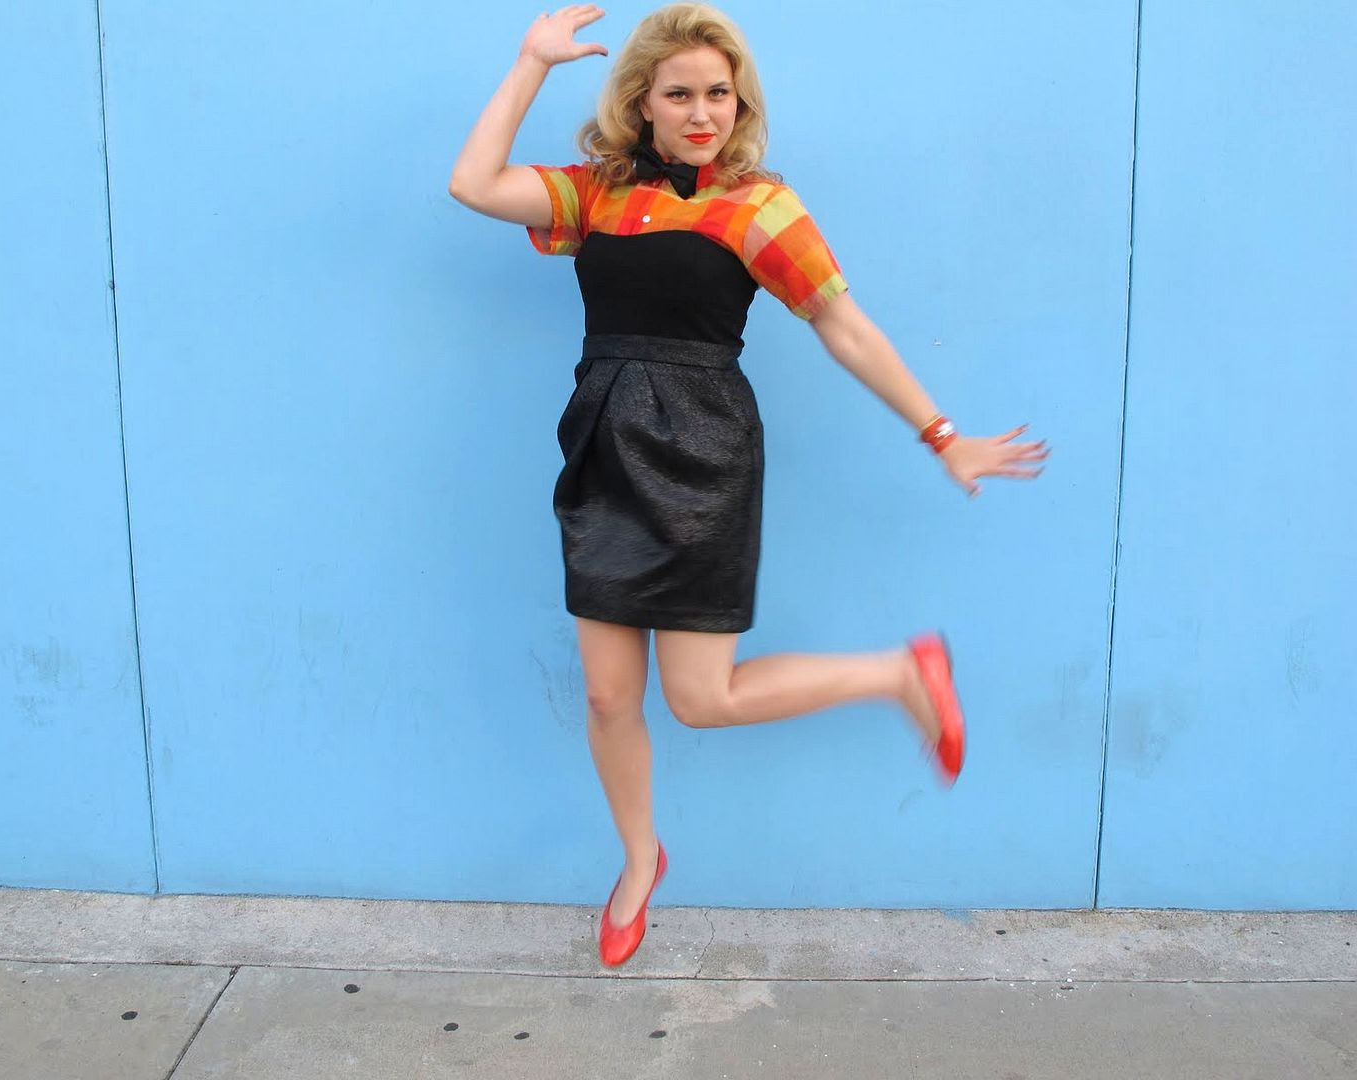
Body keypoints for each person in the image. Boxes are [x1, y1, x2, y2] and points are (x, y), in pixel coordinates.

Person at [448, 3, 1049, 967]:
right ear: (642, 103)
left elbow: (844, 325)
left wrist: (943, 436)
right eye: (679, 94)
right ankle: (639, 860)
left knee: (700, 699)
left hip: (702, 452)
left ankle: (899, 675)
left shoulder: (759, 204)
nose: (701, 113)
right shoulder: (598, 192)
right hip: (604, 445)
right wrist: (531, 61)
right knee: (607, 695)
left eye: (718, 94)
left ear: (740, 103)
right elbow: (473, 183)